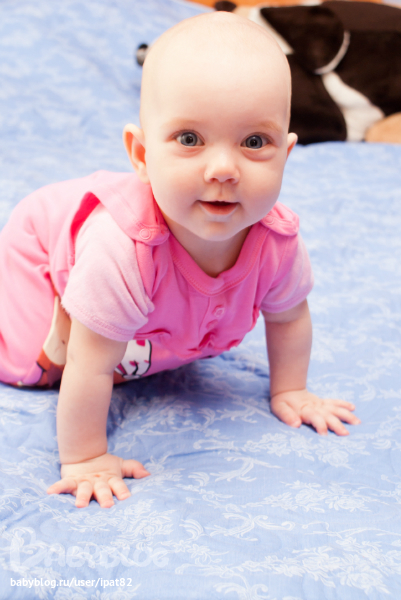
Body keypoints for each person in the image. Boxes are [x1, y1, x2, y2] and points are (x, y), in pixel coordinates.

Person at [0, 12, 360, 508]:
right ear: (141, 155)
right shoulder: (124, 249)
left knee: (128, 347)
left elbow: (290, 317)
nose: (223, 169)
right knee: (32, 366)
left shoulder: (276, 241)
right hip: (43, 246)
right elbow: (88, 364)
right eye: (190, 139)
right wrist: (85, 458)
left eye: (254, 142)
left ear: (286, 153)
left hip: (122, 288)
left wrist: (290, 390)